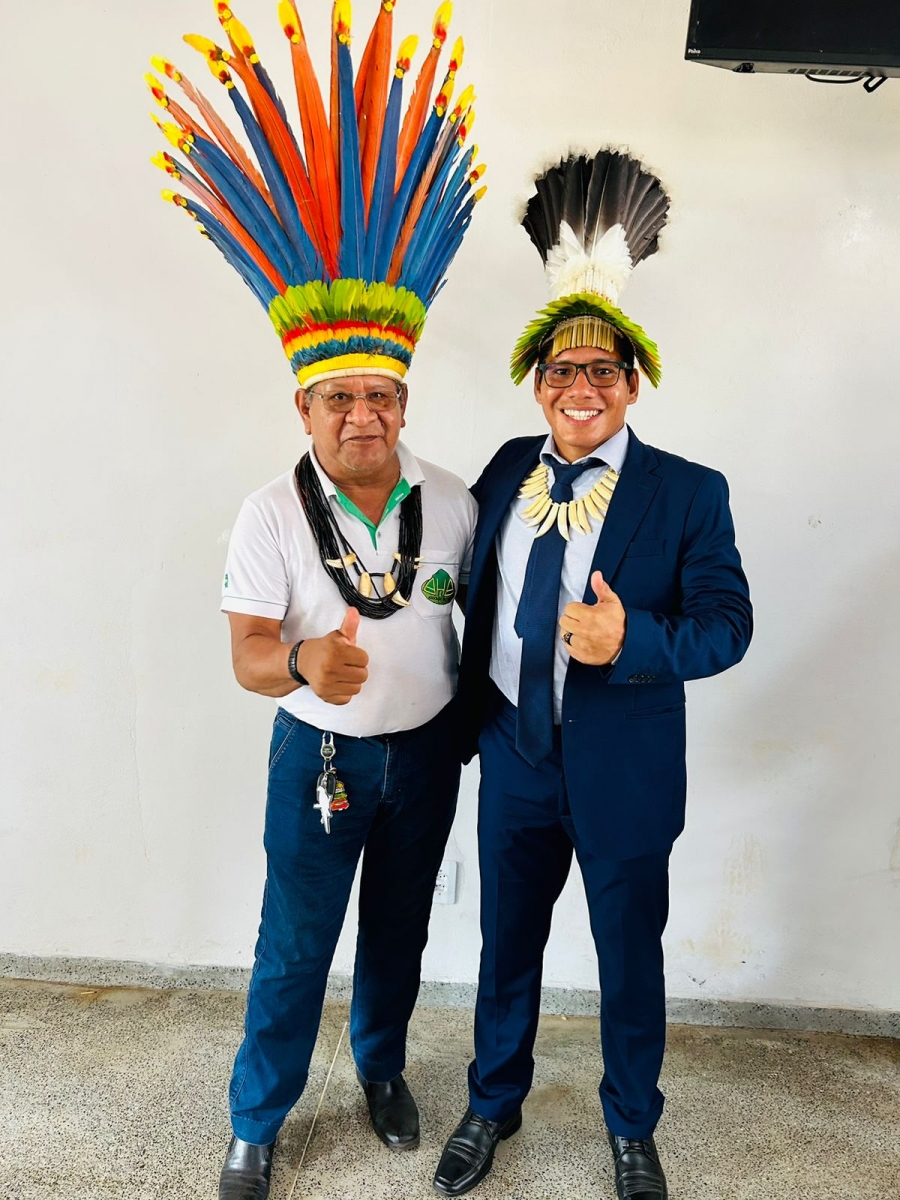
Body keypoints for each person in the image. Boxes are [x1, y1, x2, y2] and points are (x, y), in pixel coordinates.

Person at [143, 3, 484, 1197]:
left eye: (380, 395)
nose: (361, 414)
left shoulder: (456, 501)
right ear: (305, 408)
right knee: (294, 948)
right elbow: (246, 652)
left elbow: (482, 618)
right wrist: (301, 666)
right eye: (338, 398)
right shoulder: (268, 514)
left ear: (405, 401)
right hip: (321, 761)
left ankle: (381, 1071)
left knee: (399, 935)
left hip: (426, 758)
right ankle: (257, 1121)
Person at [434, 151, 753, 1200]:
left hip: (625, 770)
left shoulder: (690, 493)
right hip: (515, 759)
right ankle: (492, 1104)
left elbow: (729, 627)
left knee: (628, 961)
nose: (581, 389)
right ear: (539, 382)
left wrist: (636, 642)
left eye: (603, 373)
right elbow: (467, 584)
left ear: (632, 383)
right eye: (563, 372)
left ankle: (631, 1127)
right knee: (505, 949)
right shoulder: (502, 470)